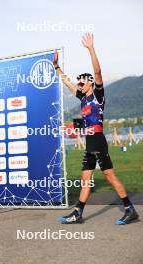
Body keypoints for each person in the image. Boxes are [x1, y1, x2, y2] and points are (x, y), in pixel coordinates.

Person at [53, 33, 139, 225]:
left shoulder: (98, 95)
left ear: (90, 83)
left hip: (98, 141)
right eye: (79, 83)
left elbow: (98, 71)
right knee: (86, 180)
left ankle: (129, 209)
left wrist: (91, 48)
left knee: (109, 175)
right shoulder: (82, 98)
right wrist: (56, 67)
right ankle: (77, 213)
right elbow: (67, 82)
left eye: (82, 82)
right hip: (89, 144)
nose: (79, 85)